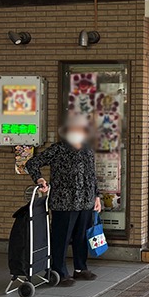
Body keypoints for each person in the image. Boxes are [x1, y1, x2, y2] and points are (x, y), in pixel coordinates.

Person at [26, 116, 101, 287]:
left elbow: (92, 175)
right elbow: (32, 163)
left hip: (86, 201)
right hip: (64, 202)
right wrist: (39, 179)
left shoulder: (88, 149)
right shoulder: (58, 149)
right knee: (61, 238)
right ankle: (58, 271)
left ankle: (80, 268)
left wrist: (96, 196)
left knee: (82, 237)